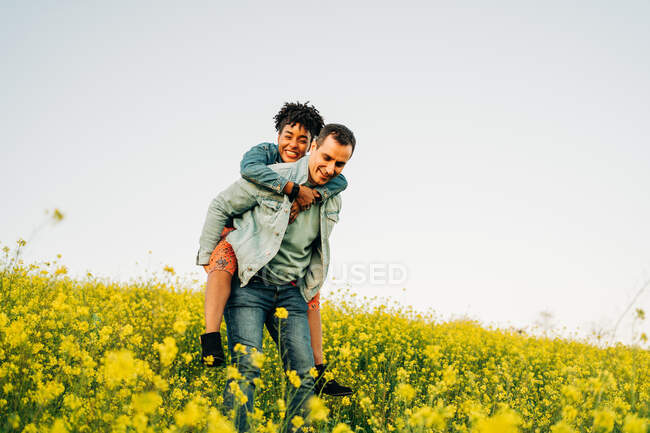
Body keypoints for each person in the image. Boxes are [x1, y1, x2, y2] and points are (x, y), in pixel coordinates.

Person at [196, 124, 355, 432]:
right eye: (326, 157)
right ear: (313, 148)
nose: (330, 168)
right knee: (246, 368)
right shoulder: (271, 176)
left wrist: (310, 288)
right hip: (251, 286)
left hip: (291, 292)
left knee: (305, 376)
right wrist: (209, 261)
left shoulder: (332, 197)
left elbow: (314, 247)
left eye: (340, 163)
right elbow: (221, 205)